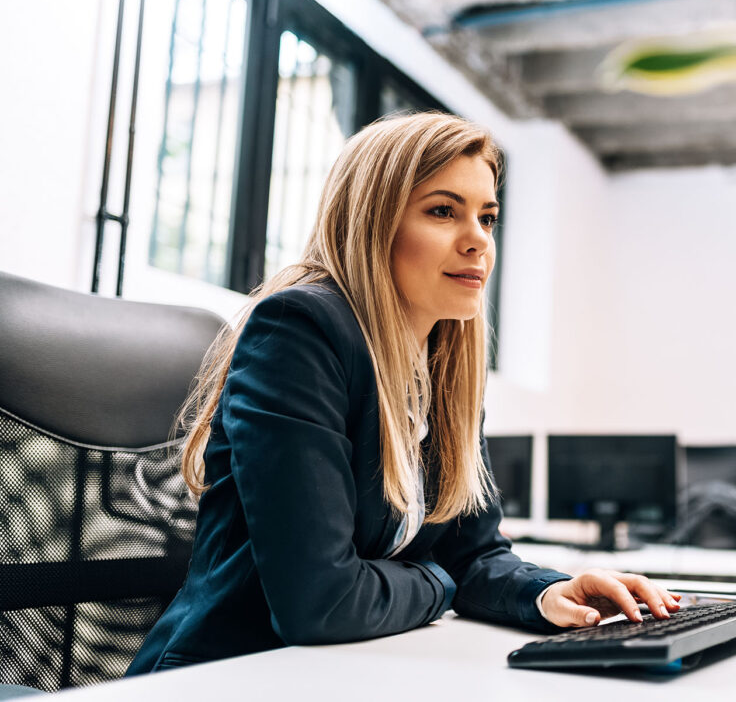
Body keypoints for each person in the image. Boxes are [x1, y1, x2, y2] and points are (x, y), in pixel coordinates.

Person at [127, 113, 681, 674]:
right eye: (443, 211)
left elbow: (474, 553)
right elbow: (323, 602)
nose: (479, 242)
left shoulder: (438, 370)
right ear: (373, 222)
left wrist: (548, 592)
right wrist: (439, 580)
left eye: (487, 217)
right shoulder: (299, 331)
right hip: (229, 675)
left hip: (352, 671)